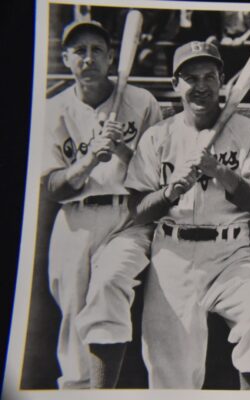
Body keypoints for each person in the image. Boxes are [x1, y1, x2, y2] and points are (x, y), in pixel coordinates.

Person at [124, 41, 250, 389]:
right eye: (190, 77)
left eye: (209, 76)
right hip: (173, 253)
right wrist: (170, 191)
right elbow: (138, 211)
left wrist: (221, 173)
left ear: (222, 82)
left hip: (233, 254)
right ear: (175, 84)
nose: (200, 85)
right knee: (171, 373)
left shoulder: (248, 132)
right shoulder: (158, 137)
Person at [42, 20, 163, 389]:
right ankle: (77, 390)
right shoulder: (53, 108)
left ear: (112, 57)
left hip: (128, 216)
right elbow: (54, 187)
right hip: (75, 217)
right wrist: (89, 160)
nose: (89, 58)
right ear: (65, 58)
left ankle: (101, 390)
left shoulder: (141, 101)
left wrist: (124, 149)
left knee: (110, 285)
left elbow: (159, 177)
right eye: (80, 51)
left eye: (97, 50)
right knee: (73, 313)